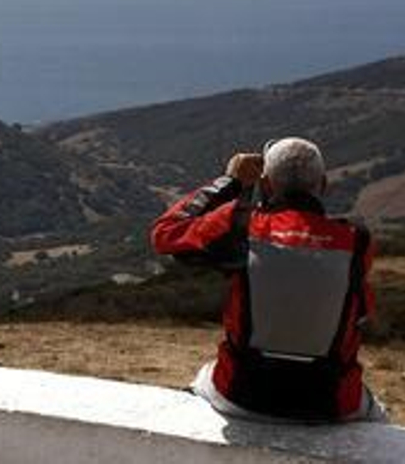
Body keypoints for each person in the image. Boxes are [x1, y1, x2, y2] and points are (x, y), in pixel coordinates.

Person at [149, 137, 385, 423]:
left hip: (240, 394)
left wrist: (230, 182)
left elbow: (166, 232)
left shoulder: (241, 226)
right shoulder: (358, 241)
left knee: (200, 381)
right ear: (323, 185)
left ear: (267, 185)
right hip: (330, 403)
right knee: (379, 415)